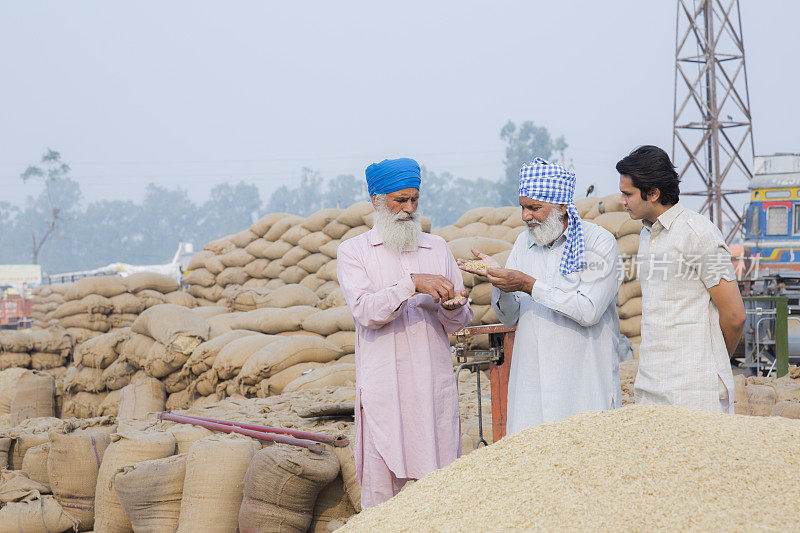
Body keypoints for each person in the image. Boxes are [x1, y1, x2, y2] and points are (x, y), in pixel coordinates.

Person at [337, 157, 473, 508]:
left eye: (414, 200)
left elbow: (459, 323)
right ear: (377, 202)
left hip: (431, 384)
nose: (409, 209)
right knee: (384, 493)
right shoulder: (354, 252)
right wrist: (411, 284)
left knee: (439, 486)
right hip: (385, 387)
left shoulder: (437, 247)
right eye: (400, 200)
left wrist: (453, 307)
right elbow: (365, 311)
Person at [460, 157, 622, 432]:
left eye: (534, 208)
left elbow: (589, 310)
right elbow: (511, 318)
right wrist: (500, 281)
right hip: (531, 390)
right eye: (522, 207)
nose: (525, 216)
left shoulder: (598, 242)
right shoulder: (525, 243)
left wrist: (528, 285)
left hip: (583, 386)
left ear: (561, 206)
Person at [616, 145, 746, 413]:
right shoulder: (646, 235)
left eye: (628, 194)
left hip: (694, 390)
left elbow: (734, 316)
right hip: (652, 386)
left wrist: (713, 361)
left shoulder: (698, 234)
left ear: (653, 193)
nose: (622, 201)